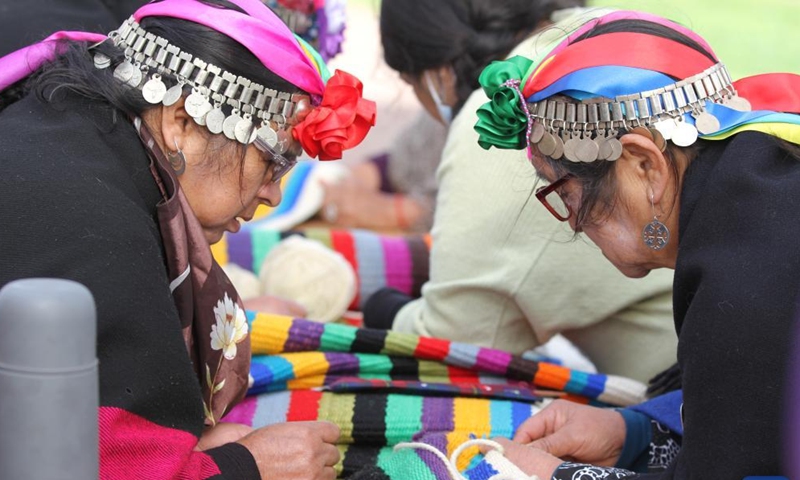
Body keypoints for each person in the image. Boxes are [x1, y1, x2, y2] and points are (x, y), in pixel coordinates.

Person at [0, 0, 375, 478]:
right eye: (273, 160)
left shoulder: (75, 134)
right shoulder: (97, 220)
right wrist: (246, 467)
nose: (274, 195)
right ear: (183, 124)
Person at [470, 10, 800, 478]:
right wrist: (637, 434)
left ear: (644, 165)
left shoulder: (748, 279)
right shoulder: (757, 201)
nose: (575, 225)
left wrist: (558, 475)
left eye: (565, 193)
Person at [362, 0, 678, 384]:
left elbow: (452, 343)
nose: (572, 222)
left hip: (687, 398)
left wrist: (376, 306)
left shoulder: (512, 113)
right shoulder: (601, 31)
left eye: (563, 193)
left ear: (437, 74)